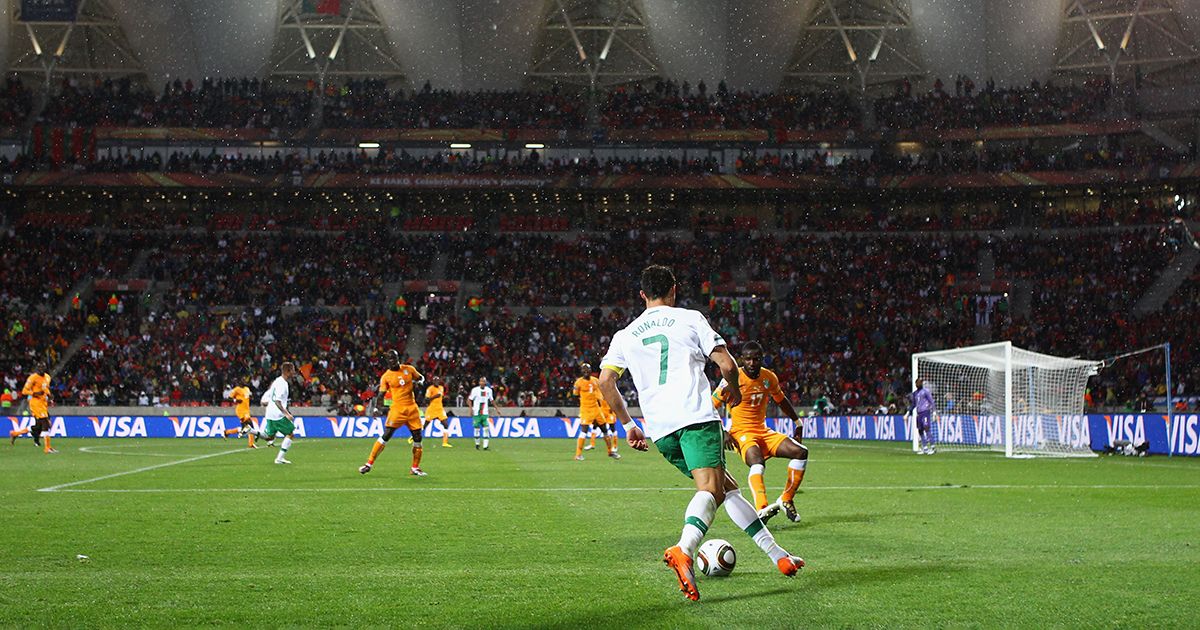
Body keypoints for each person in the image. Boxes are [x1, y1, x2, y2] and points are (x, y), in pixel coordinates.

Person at [597, 265, 803, 602]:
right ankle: (684, 548)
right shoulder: (690, 318)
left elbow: (606, 380)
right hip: (695, 417)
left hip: (662, 430)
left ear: (642, 295)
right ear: (674, 290)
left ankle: (778, 555)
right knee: (712, 489)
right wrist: (734, 389)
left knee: (727, 489)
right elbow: (726, 364)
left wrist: (629, 424)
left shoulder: (625, 334)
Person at [713, 341, 808, 523]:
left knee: (800, 452)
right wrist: (723, 430)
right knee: (757, 462)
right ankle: (762, 509)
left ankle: (786, 499)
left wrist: (797, 422)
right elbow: (711, 405)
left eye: (756, 359)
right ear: (742, 359)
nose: (752, 363)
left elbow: (781, 400)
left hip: (763, 431)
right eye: (748, 359)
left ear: (761, 359)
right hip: (741, 433)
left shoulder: (768, 377)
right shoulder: (732, 378)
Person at [359, 350, 426, 476]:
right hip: (397, 409)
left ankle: (415, 468)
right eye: (390, 359)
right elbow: (381, 395)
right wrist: (376, 408)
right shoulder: (386, 376)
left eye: (394, 358)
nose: (393, 361)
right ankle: (368, 464)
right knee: (387, 435)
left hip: (412, 408)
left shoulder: (409, 369)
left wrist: (421, 381)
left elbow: (420, 377)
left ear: (398, 358)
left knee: (418, 438)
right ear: (387, 361)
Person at [248, 362, 297, 464]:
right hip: (277, 414)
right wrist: (286, 413)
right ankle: (279, 458)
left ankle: (251, 431)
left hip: (270, 412)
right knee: (290, 434)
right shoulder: (283, 384)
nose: (294, 372)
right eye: (293, 370)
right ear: (288, 371)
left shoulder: (277, 381)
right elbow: (277, 401)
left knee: (269, 436)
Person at [10, 362, 55, 453]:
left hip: (43, 403)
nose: (41, 369)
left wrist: (50, 395)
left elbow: (45, 388)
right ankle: (47, 448)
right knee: (45, 423)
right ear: (37, 369)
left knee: (38, 426)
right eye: (39, 368)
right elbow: (24, 391)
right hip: (35, 403)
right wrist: (34, 393)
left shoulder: (47, 377)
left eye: (43, 367)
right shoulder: (33, 378)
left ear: (45, 368)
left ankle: (16, 433)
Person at [572, 362, 602, 460]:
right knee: (584, 431)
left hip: (596, 409)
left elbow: (599, 394)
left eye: (587, 369)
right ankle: (578, 454)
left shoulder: (596, 381)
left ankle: (611, 450)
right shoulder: (578, 382)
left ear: (590, 371)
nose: (586, 371)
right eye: (584, 370)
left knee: (602, 428)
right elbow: (575, 396)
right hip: (586, 410)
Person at [424, 377, 452, 448]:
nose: (436, 382)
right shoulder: (430, 389)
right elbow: (426, 400)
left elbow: (440, 397)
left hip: (440, 409)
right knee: (425, 425)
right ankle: (414, 436)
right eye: (435, 381)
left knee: (446, 424)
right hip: (432, 409)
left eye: (437, 381)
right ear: (433, 382)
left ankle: (445, 443)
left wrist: (445, 398)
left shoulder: (441, 388)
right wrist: (434, 396)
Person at [468, 377, 494, 450]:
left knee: (486, 428)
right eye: (481, 381)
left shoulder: (489, 390)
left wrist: (497, 408)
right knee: (477, 429)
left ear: (485, 383)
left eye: (483, 381)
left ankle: (485, 446)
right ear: (479, 382)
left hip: (485, 413)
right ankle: (477, 444)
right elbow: (469, 400)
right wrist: (471, 410)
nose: (482, 383)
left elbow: (492, 400)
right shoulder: (475, 390)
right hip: (476, 413)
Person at [596, 385, 621, 459]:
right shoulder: (599, 393)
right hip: (603, 412)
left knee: (612, 428)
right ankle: (593, 444)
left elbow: (615, 400)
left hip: (610, 413)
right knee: (603, 429)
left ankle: (615, 446)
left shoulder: (610, 392)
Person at [912, 378, 935, 455]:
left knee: (926, 428)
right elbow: (914, 404)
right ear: (915, 384)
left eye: (920, 382)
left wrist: (934, 411)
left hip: (925, 412)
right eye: (917, 383)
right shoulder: (915, 393)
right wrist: (908, 412)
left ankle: (932, 447)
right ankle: (925, 448)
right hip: (919, 413)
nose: (918, 384)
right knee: (920, 430)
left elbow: (931, 401)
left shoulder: (926, 391)